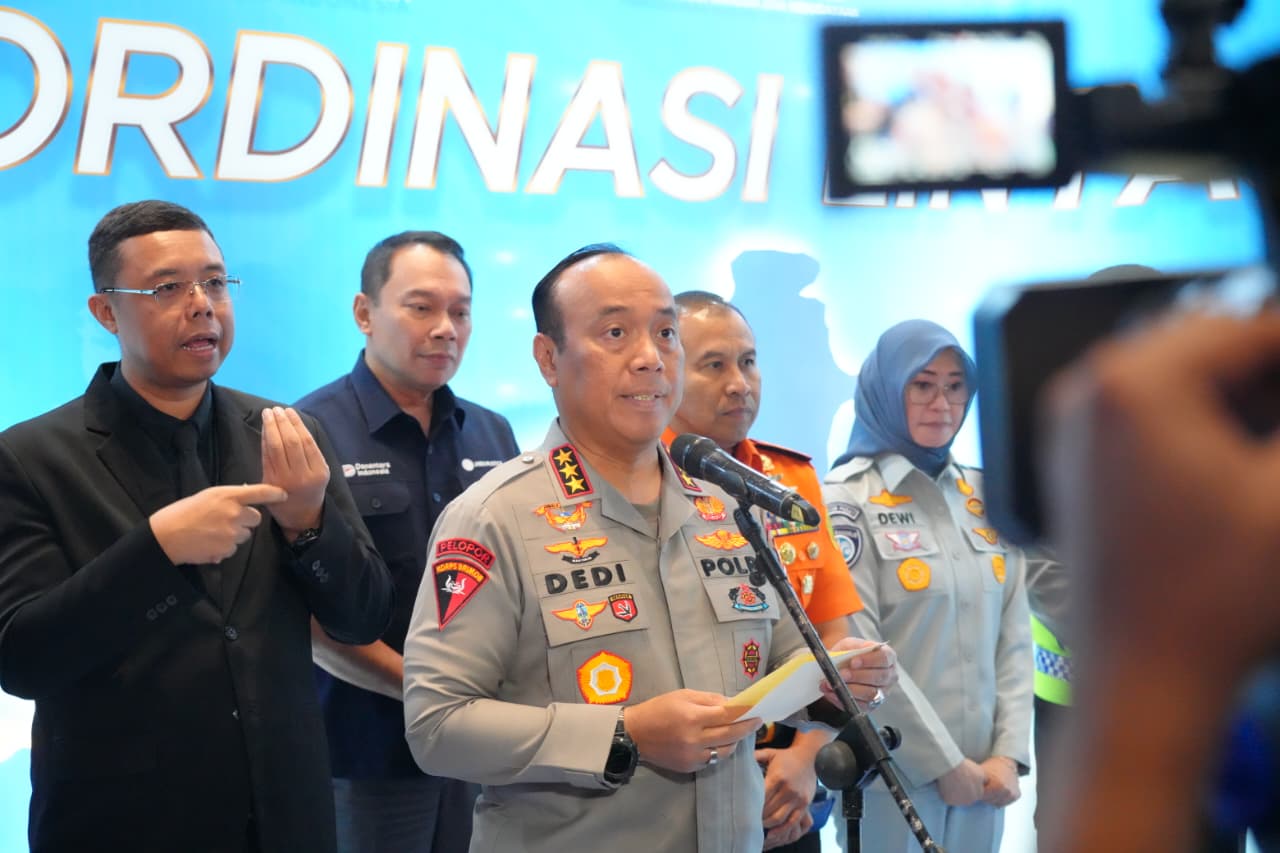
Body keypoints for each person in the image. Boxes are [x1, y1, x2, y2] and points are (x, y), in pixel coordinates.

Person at [402, 244, 898, 853]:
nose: (649, 358)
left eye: (665, 333)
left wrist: (834, 679)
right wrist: (625, 733)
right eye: (615, 333)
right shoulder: (492, 518)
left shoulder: (727, 507)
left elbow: (782, 663)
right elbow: (436, 725)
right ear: (549, 358)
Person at [0, 200, 393, 853]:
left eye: (214, 282)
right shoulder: (31, 456)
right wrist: (157, 552)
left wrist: (309, 524)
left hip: (285, 822)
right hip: (121, 826)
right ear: (106, 312)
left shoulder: (286, 431)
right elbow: (23, 659)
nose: (202, 305)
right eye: (167, 288)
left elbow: (363, 618)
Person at [296, 231, 519, 853]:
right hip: (366, 752)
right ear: (364, 313)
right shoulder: (306, 431)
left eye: (461, 312)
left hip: (483, 748)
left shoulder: (492, 432)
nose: (446, 329)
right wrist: (427, 692)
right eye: (421, 307)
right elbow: (302, 615)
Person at [1037, 311, 1280, 853]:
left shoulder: (1230, 457)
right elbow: (1045, 579)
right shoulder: (1082, 449)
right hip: (1083, 698)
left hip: (1180, 704)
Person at [821, 319, 1033, 853]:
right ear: (888, 389)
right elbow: (859, 653)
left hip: (987, 781)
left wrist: (1008, 755)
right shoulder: (845, 501)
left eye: (955, 387)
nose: (942, 404)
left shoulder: (986, 494)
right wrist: (943, 765)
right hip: (890, 778)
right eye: (922, 385)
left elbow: (1014, 639)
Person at [663, 290, 865, 851]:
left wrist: (807, 757)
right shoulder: (638, 479)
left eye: (748, 362)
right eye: (714, 365)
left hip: (790, 776)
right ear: (666, 370)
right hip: (677, 780)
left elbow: (831, 634)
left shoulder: (789, 481)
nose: (739, 383)